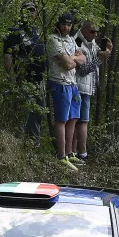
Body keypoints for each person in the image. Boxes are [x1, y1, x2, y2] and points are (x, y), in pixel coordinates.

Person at [3, 0, 46, 145]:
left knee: (38, 112)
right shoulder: (15, 32)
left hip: (39, 81)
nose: (30, 13)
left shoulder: (36, 31)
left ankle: (33, 146)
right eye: (28, 10)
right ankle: (17, 146)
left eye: (33, 10)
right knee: (22, 114)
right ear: (22, 12)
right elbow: (8, 56)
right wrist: (12, 79)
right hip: (23, 80)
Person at [47, 12, 86, 171]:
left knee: (73, 118)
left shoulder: (71, 39)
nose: (66, 27)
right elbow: (67, 65)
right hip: (60, 83)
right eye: (64, 24)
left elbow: (82, 59)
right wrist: (73, 59)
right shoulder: (52, 40)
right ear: (58, 24)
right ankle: (61, 155)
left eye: (69, 25)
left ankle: (70, 153)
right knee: (61, 120)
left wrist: (73, 59)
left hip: (73, 83)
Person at [73, 21, 112, 163]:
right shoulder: (77, 43)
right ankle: (81, 153)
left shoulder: (92, 44)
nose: (95, 35)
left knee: (79, 121)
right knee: (81, 121)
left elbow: (96, 60)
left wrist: (106, 52)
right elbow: (83, 70)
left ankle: (75, 152)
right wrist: (100, 58)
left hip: (88, 88)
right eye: (92, 31)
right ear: (83, 30)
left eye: (97, 32)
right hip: (78, 87)